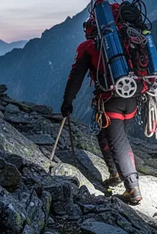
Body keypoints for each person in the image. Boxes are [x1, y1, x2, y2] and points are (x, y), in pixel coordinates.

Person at [61, 14, 142, 205]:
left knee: (118, 142)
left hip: (110, 100)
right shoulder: (125, 39)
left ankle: (133, 189)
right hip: (132, 96)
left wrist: (67, 101)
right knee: (106, 135)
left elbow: (76, 76)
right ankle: (114, 173)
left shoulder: (88, 47)